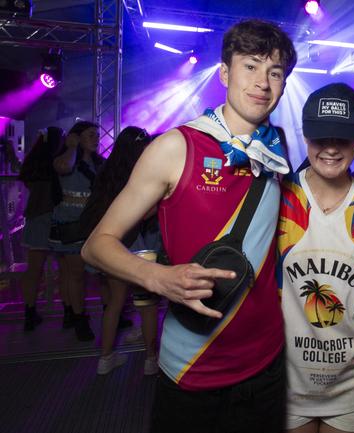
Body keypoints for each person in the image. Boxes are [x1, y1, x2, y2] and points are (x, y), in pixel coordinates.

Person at [82, 19, 296, 432]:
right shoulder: (176, 146)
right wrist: (156, 277)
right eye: (250, 66)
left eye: (275, 72)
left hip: (266, 361)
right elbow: (97, 244)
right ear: (224, 73)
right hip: (193, 368)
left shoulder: (276, 151)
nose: (262, 83)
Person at [278, 83, 354, 433]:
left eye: (344, 138)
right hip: (286, 384)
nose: (332, 149)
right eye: (322, 138)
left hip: (351, 385)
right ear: (306, 137)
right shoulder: (278, 200)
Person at [78, 126, 160, 375]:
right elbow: (143, 213)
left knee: (114, 303)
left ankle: (105, 358)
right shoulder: (141, 172)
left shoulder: (106, 170)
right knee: (146, 304)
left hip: (109, 244)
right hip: (136, 243)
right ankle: (150, 360)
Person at [51, 120, 104, 341]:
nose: (96, 138)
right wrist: (72, 146)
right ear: (77, 137)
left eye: (97, 135)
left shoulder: (97, 163)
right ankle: (79, 319)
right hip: (67, 227)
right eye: (90, 134)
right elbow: (63, 167)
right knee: (74, 275)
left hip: (87, 227)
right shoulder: (65, 160)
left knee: (73, 274)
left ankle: (71, 313)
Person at [18, 127, 63, 331]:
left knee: (33, 270)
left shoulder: (33, 162)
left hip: (35, 218)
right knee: (66, 268)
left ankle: (29, 311)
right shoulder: (58, 163)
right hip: (54, 218)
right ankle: (69, 310)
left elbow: (25, 180)